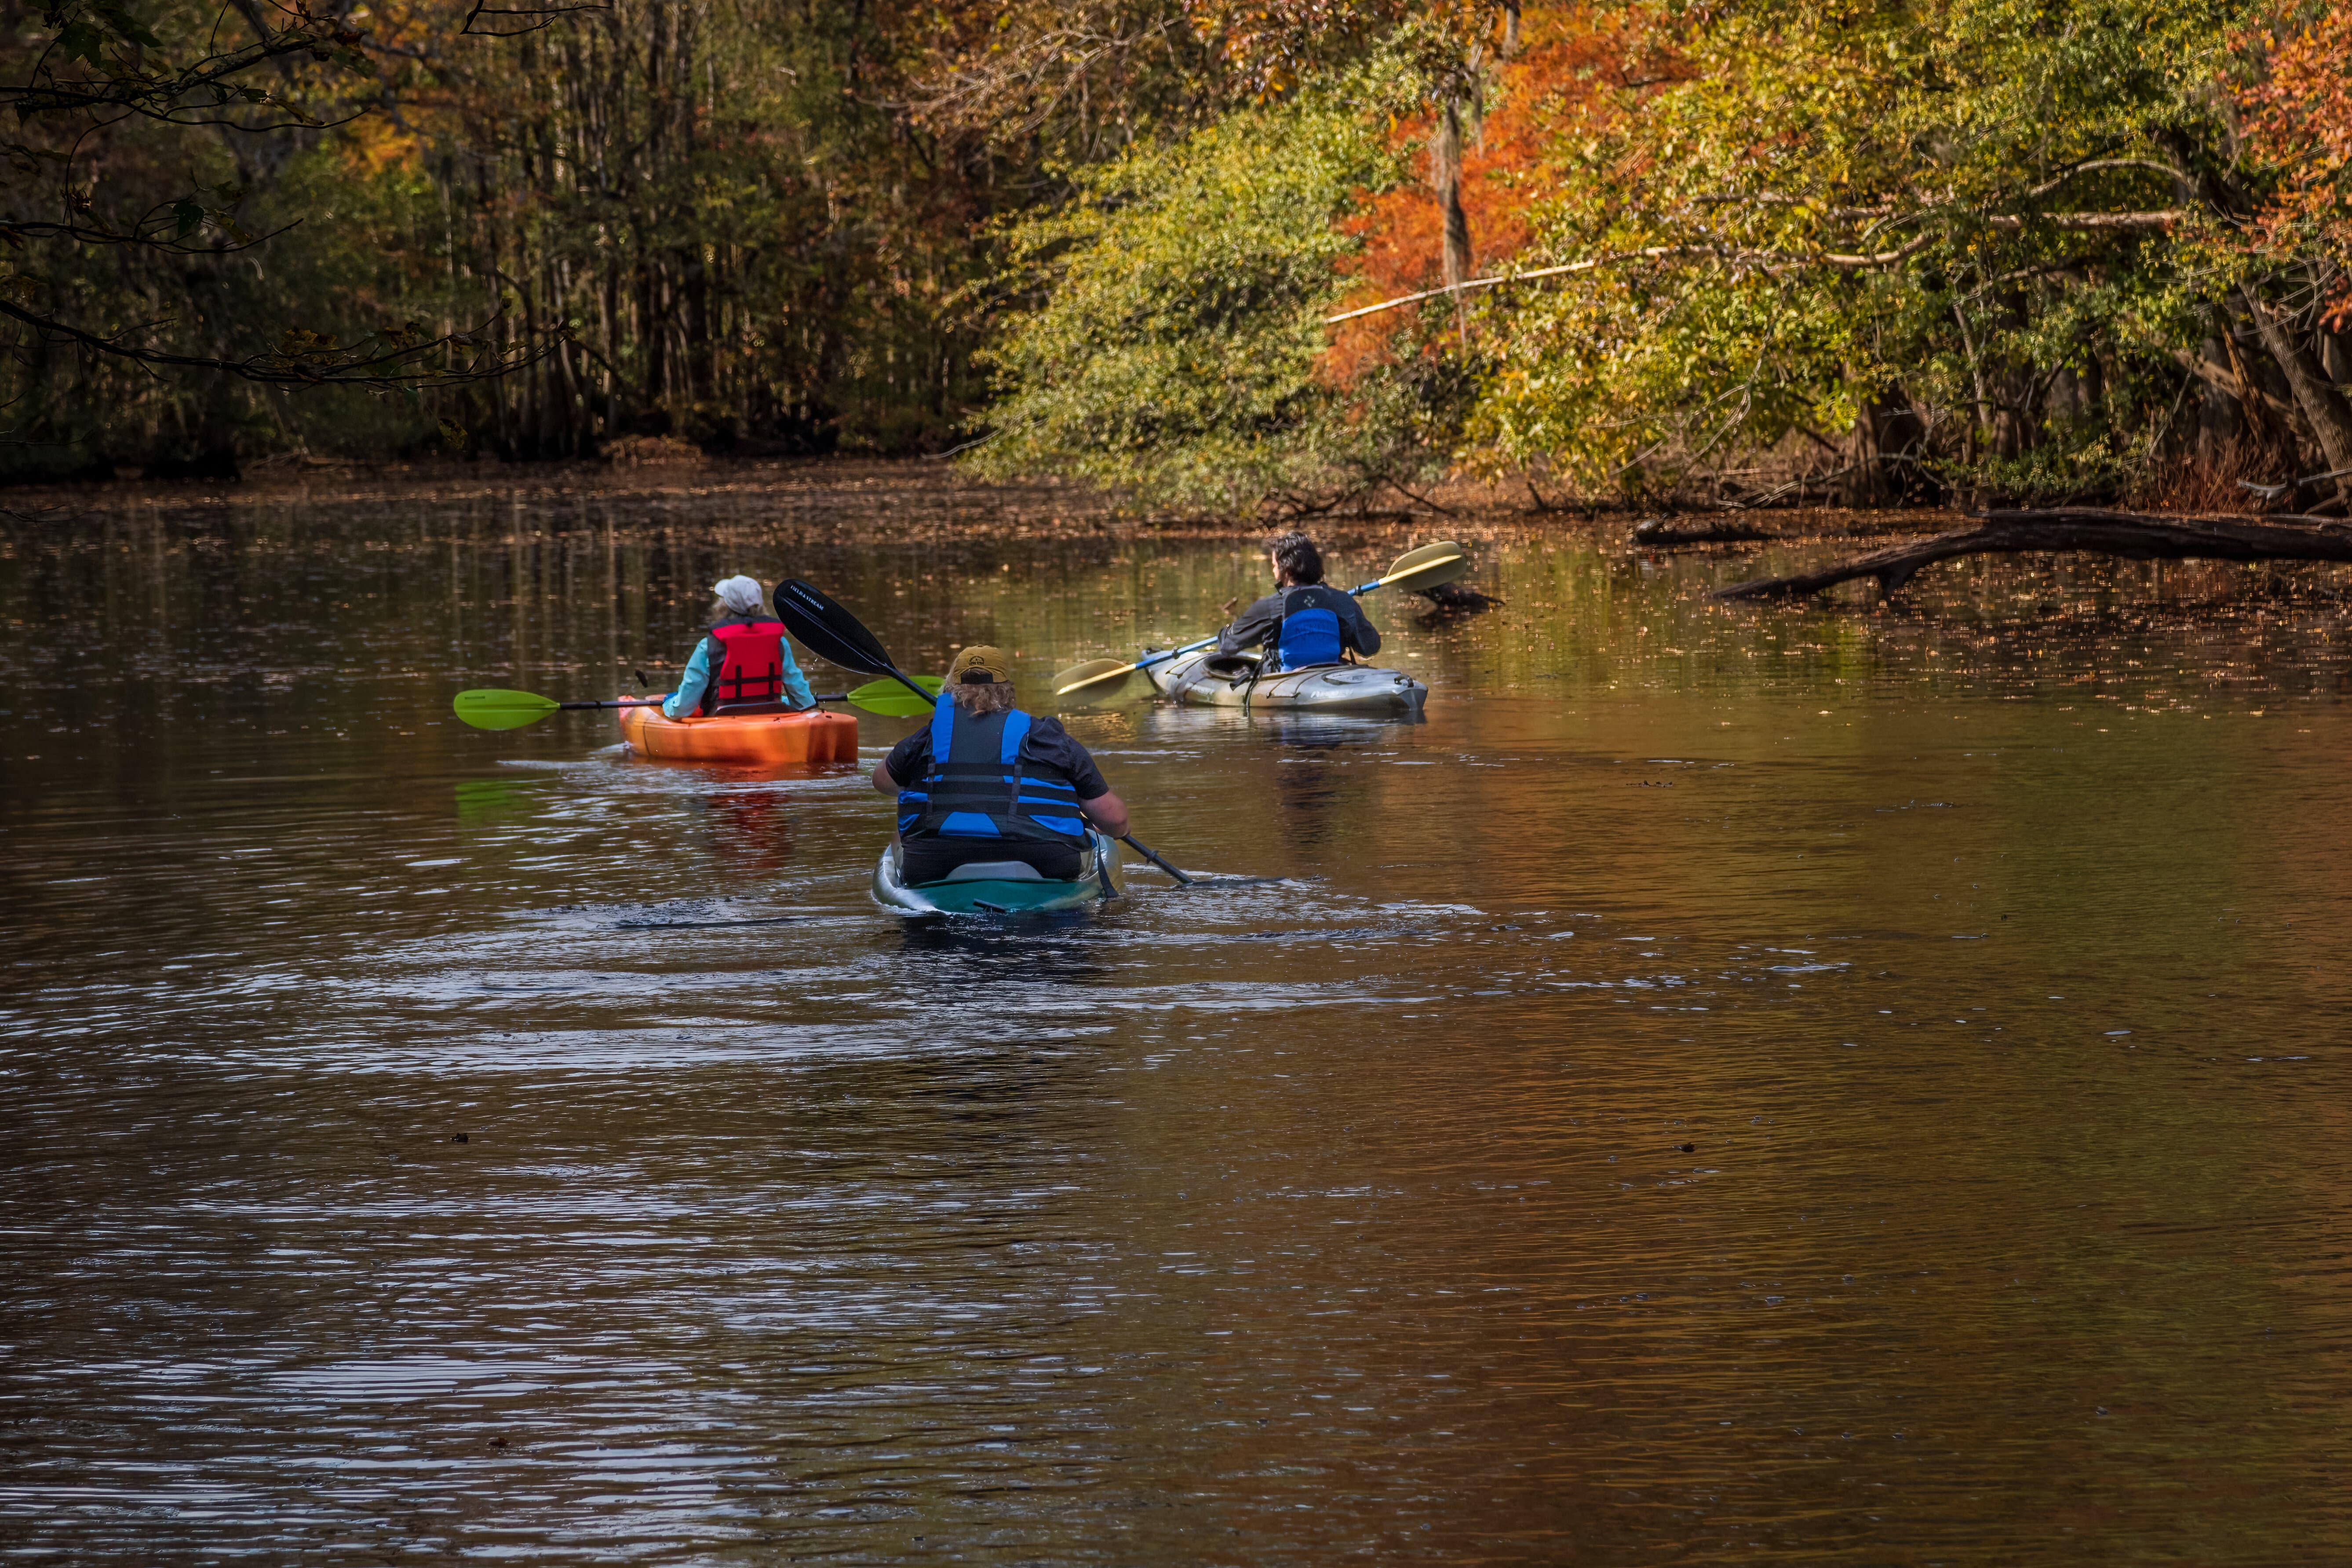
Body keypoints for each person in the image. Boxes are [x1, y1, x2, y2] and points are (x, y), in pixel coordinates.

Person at [871, 645, 1129, 884]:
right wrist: (1115, 829)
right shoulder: (1048, 736)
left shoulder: (926, 739)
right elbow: (1115, 819)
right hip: (1045, 861)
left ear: (951, 687)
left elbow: (882, 782)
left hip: (935, 862)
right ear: (1007, 689)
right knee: (1097, 840)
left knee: (899, 839)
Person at [1215, 530, 1382, 671]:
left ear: (1285, 570)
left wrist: (1226, 631)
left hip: (1285, 685)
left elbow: (1228, 646)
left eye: (1274, 566)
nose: (1273, 570)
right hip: (1332, 677)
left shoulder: (1270, 607)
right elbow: (1370, 647)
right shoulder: (1341, 601)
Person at [662, 575, 815, 718]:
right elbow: (804, 702)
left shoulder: (708, 645)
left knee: (672, 700)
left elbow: (683, 708)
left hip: (722, 722)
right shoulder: (779, 643)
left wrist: (668, 704)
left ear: (724, 606)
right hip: (770, 718)